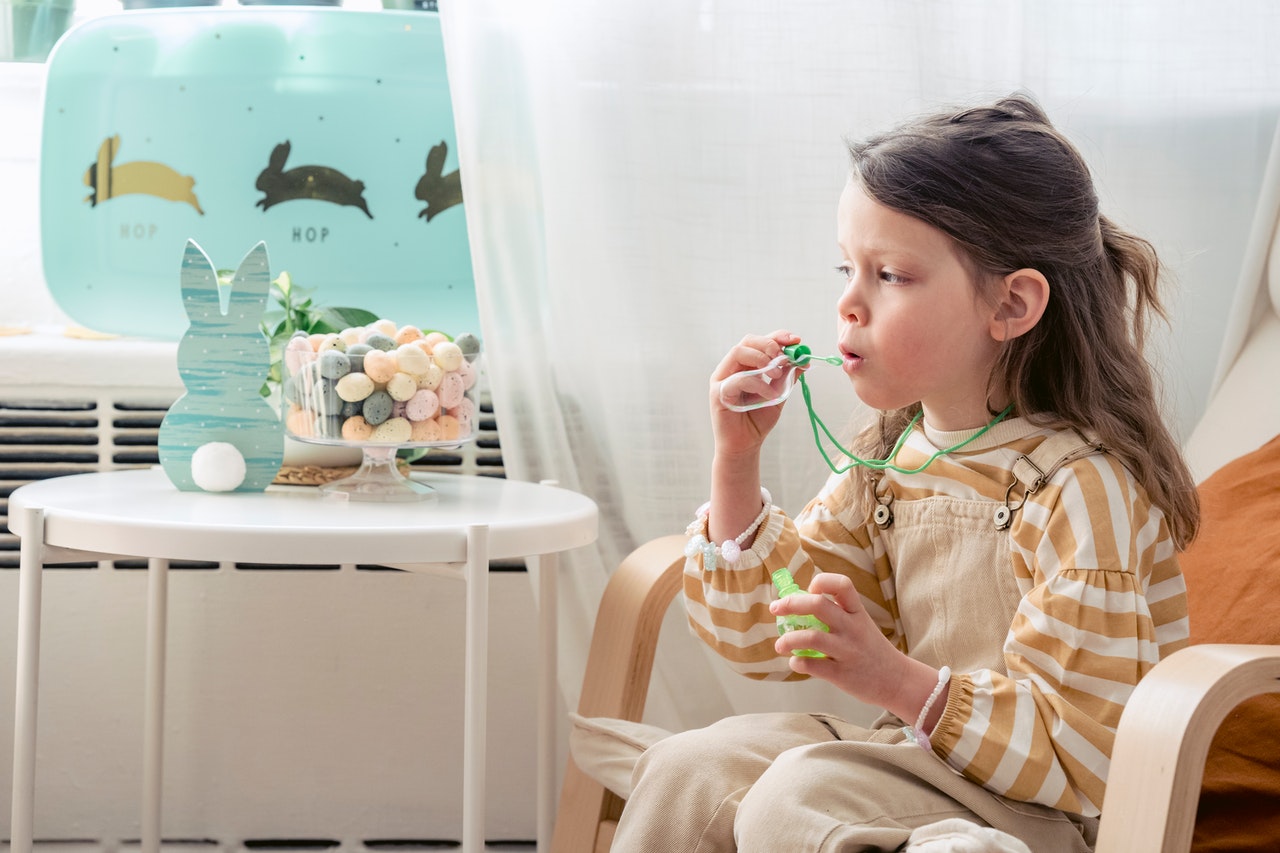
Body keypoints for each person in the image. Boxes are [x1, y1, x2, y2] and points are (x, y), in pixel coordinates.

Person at [610, 93, 1199, 852]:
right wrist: (737, 459)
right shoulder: (889, 462)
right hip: (920, 768)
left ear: (1012, 303)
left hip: (1047, 815)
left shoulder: (1083, 490)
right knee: (689, 769)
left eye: (889, 274)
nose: (847, 305)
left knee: (797, 796)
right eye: (846, 268)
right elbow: (770, 633)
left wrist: (894, 681)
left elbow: (1088, 756)